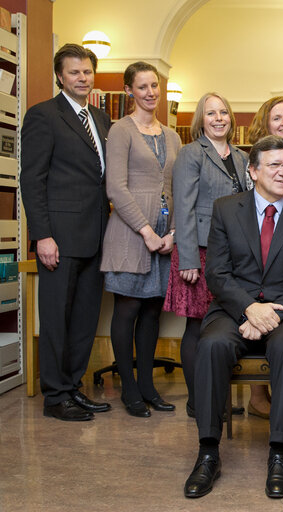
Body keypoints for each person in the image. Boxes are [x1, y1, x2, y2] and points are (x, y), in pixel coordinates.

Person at [183, 135, 283, 500]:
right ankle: (207, 452)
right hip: (235, 308)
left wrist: (270, 314)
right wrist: (249, 308)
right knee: (212, 344)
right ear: (253, 171)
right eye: (275, 165)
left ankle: (280, 453)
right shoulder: (226, 208)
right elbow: (217, 273)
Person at [20, 43, 112, 421]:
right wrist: (42, 235)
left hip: (97, 234)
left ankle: (73, 387)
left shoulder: (103, 120)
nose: (82, 78)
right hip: (59, 236)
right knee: (56, 317)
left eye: (87, 72)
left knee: (85, 318)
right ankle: (55, 396)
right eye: (74, 72)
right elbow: (32, 178)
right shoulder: (43, 115)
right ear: (60, 76)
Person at [99, 61, 182, 417]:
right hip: (130, 234)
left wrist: (173, 233)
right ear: (130, 90)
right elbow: (115, 186)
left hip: (165, 238)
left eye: (154, 86)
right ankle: (129, 389)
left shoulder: (174, 136)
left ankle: (148, 386)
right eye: (142, 86)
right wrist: (147, 232)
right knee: (128, 308)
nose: (150, 93)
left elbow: (179, 188)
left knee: (151, 312)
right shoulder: (121, 130)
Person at [163, 92, 252, 418]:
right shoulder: (191, 154)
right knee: (197, 326)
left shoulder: (242, 157)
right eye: (211, 113)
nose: (218, 118)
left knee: (222, 325)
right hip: (197, 251)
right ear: (201, 119)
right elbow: (183, 208)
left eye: (223, 112)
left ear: (231, 117)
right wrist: (186, 258)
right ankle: (198, 401)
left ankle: (218, 398)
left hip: (231, 254)